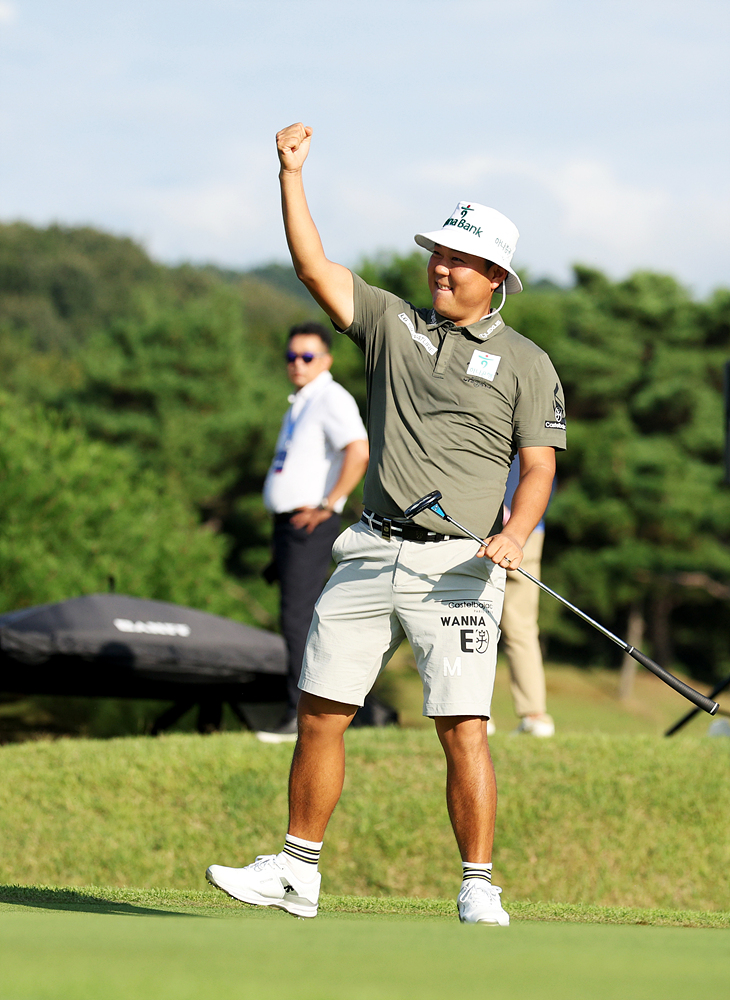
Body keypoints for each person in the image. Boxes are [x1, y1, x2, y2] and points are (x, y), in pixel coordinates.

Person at [206, 122, 566, 925]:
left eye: (459, 258)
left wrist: (516, 531)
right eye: (436, 253)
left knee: (462, 725)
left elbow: (538, 466)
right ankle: (298, 870)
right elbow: (311, 265)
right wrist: (290, 174)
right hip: (368, 552)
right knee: (321, 708)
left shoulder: (528, 363)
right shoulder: (389, 323)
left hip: (460, 568)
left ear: (495, 276)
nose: (439, 266)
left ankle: (478, 882)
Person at [258, 321, 369, 743]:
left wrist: (329, 504)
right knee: (296, 617)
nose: (297, 364)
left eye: (307, 357)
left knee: (298, 620)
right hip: (288, 524)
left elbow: (358, 449)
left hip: (311, 523)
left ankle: (298, 716)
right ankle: (372, 715)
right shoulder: (301, 401)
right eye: (291, 357)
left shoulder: (329, 397)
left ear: (325, 360)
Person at [493, 456, 555, 737]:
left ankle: (475, 714)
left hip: (492, 524)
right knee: (521, 626)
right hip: (531, 525)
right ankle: (535, 715)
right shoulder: (545, 412)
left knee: (467, 616)